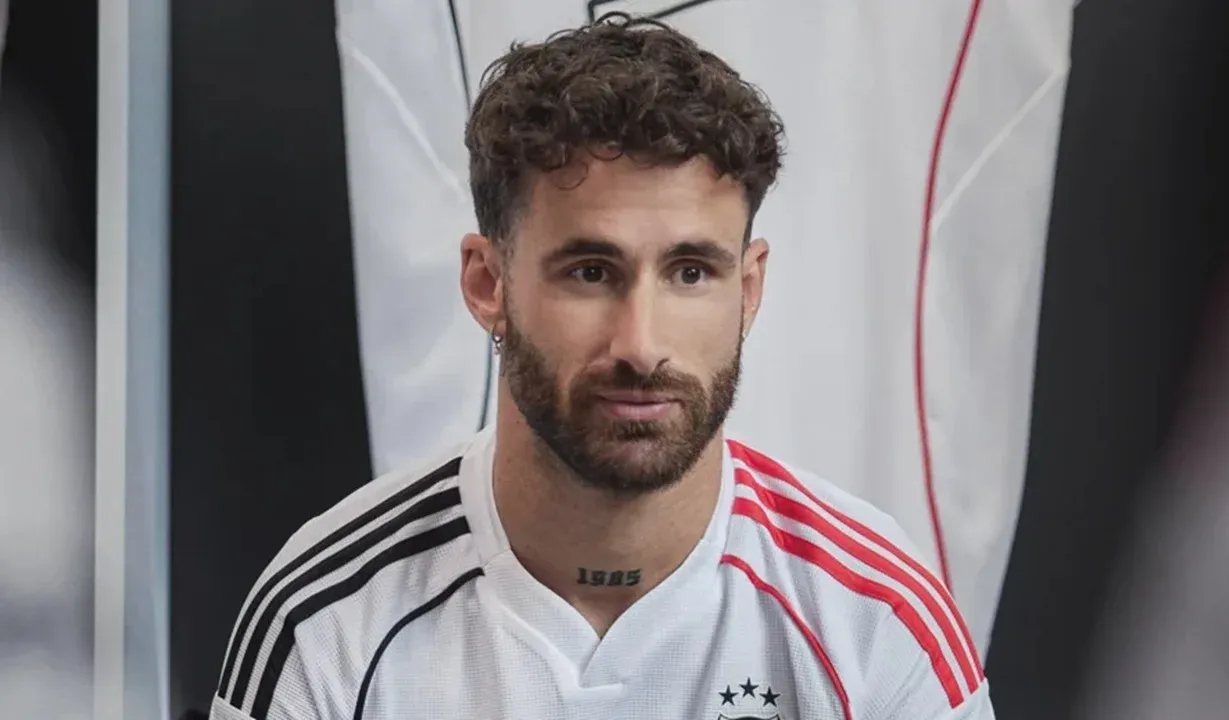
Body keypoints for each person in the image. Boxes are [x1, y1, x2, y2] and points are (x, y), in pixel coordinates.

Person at [210, 14, 992, 720]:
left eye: (691, 272)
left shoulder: (878, 624)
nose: (640, 345)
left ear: (748, 289)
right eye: (590, 272)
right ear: (487, 283)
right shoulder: (325, 623)